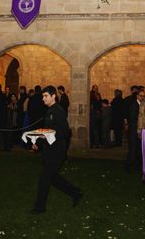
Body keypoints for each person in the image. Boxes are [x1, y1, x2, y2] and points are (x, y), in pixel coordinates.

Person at [31, 85, 83, 214]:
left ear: (53, 96)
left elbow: (64, 131)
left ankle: (39, 208)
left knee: (45, 179)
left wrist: (50, 137)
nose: (43, 99)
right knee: (53, 178)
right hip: (49, 149)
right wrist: (38, 141)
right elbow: (47, 129)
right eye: (43, 96)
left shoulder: (57, 111)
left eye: (46, 96)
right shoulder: (50, 111)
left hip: (56, 150)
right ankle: (76, 192)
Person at [125, 88, 144, 172]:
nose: (142, 97)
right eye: (141, 96)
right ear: (137, 96)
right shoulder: (134, 105)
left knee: (138, 149)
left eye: (144, 96)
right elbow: (133, 119)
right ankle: (129, 166)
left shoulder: (142, 105)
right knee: (133, 149)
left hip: (138, 129)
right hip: (133, 130)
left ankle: (136, 165)